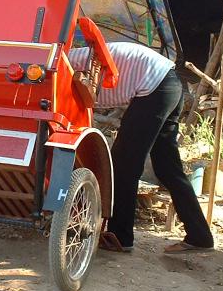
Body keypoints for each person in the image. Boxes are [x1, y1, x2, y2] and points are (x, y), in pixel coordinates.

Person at [68, 41, 214, 254]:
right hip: (169, 83)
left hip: (155, 86)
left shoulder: (64, 65)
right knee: (166, 167)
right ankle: (200, 236)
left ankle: (120, 236)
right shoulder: (74, 61)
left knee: (123, 164)